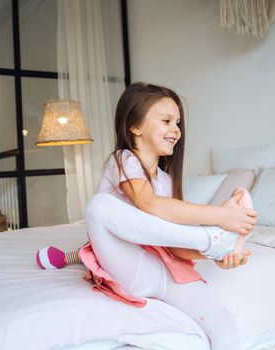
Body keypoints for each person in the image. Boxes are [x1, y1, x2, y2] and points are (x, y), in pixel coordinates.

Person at [39, 82, 257, 349]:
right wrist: (220, 216)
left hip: (163, 269)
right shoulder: (123, 159)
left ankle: (213, 242)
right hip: (128, 264)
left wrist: (217, 255)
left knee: (224, 325)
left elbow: (175, 246)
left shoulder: (166, 181)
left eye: (178, 123)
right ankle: (211, 238)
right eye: (166, 120)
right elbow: (147, 203)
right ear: (135, 126)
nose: (176, 129)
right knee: (99, 206)